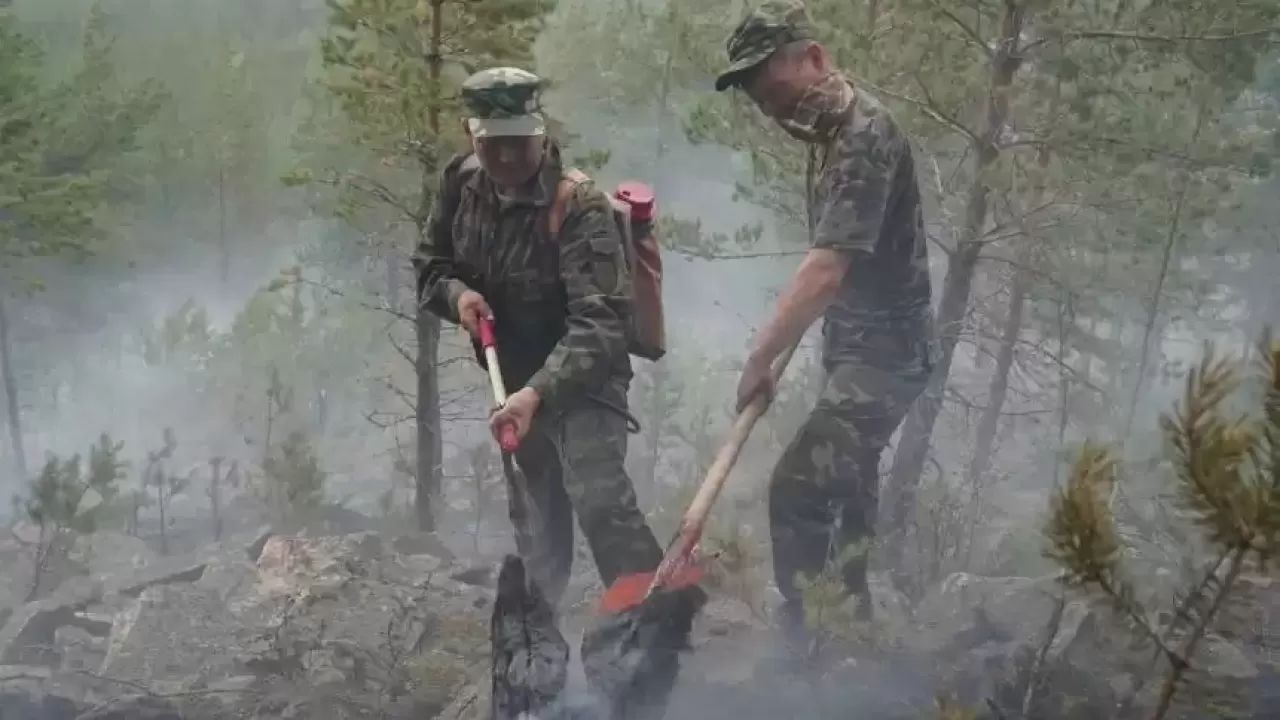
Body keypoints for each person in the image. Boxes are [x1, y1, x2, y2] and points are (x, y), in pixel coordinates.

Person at [714, 0, 937, 657]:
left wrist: (760, 357)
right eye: (760, 102)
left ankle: (809, 643)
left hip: (888, 356)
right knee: (849, 495)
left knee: (801, 486)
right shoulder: (831, 134)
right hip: (856, 349)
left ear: (813, 58)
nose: (773, 110)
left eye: (775, 90)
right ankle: (852, 635)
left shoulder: (864, 136)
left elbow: (825, 270)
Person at [413, 67, 663, 608]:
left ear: (541, 133)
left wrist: (535, 394)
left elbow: (600, 324)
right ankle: (540, 631)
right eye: (492, 145)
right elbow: (429, 267)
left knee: (599, 498)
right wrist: (457, 297)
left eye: (518, 144)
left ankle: (651, 622)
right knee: (540, 508)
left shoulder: (579, 207)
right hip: (516, 375)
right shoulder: (460, 183)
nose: (505, 159)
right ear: (470, 135)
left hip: (583, 380)